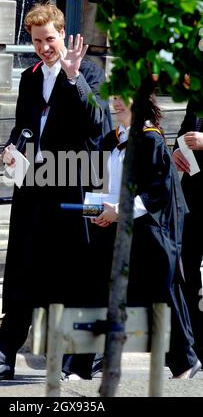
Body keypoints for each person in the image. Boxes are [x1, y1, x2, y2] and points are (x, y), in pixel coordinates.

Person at [0, 1, 112, 381]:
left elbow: (99, 123)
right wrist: (11, 147)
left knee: (72, 272)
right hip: (33, 187)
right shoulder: (30, 77)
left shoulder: (90, 71)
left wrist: (72, 78)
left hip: (74, 183)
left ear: (62, 34)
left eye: (48, 39)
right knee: (23, 268)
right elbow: (23, 125)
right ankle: (2, 355)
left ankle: (73, 360)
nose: (43, 48)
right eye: (36, 41)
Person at [81, 94, 201, 379]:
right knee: (97, 290)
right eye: (113, 97)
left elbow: (156, 193)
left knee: (161, 297)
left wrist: (119, 211)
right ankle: (79, 365)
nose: (116, 103)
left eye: (123, 97)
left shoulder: (151, 140)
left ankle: (184, 361)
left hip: (149, 233)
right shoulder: (110, 141)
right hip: (114, 231)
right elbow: (100, 184)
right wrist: (94, 210)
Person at [172, 96, 203, 366]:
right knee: (188, 269)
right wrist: (178, 150)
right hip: (194, 194)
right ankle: (195, 346)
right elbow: (185, 129)